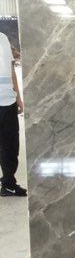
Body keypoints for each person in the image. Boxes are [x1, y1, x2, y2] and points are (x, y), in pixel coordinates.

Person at [0, 32, 26, 197]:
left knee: (10, 146)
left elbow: (11, 70)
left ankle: (8, 184)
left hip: (8, 101)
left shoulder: (2, 38)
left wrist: (18, 97)